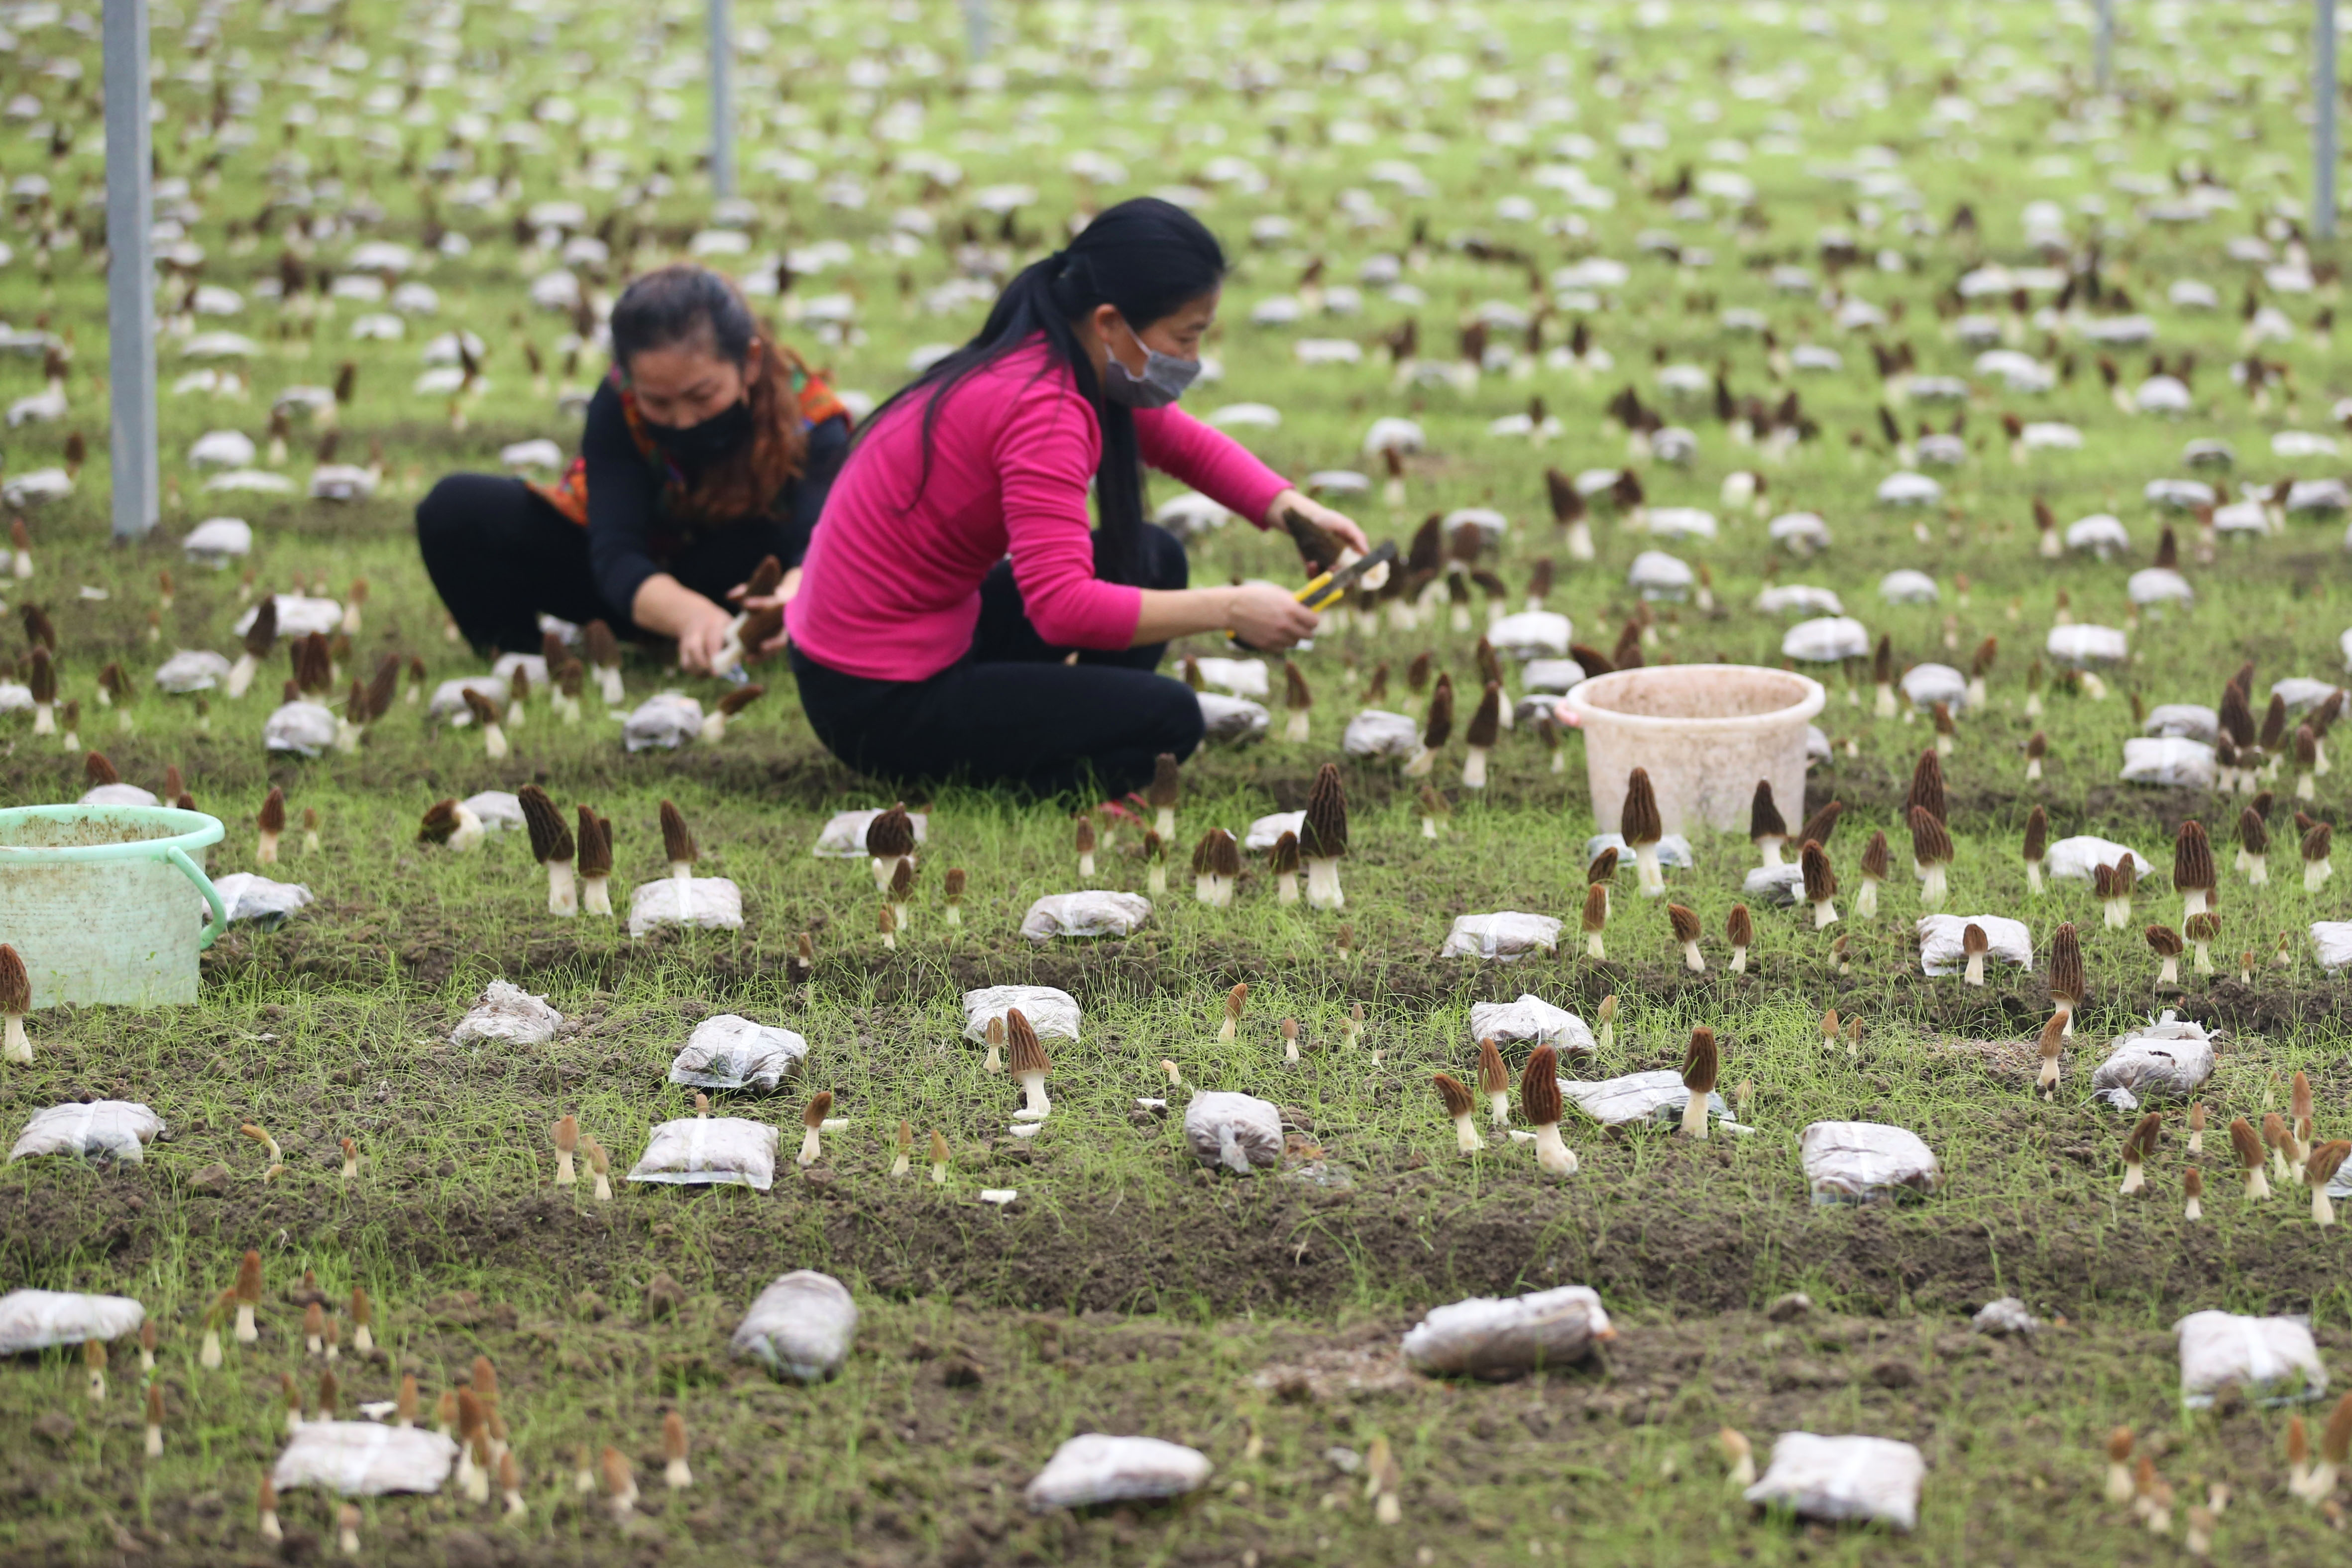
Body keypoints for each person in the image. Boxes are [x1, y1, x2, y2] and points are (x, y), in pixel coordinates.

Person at [779, 197, 1369, 798]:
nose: (1191, 361)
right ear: (1111, 322)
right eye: (1186, 338)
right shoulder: (1044, 410)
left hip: (910, 641)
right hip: (876, 700)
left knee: (1153, 556)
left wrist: (1298, 513)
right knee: (1170, 720)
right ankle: (1072, 758)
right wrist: (1230, 608)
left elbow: (1185, 445)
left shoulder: (1053, 354)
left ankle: (1075, 718)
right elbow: (1060, 607)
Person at [415, 264, 850, 669]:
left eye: (702, 396)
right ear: (628, 380)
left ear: (750, 362)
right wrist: (688, 616)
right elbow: (615, 549)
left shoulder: (811, 417)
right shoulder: (618, 407)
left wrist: (789, 602)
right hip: (641, 588)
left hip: (753, 584)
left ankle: (753, 634)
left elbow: (820, 543)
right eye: (658, 402)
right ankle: (522, 655)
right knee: (456, 508)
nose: (684, 421)